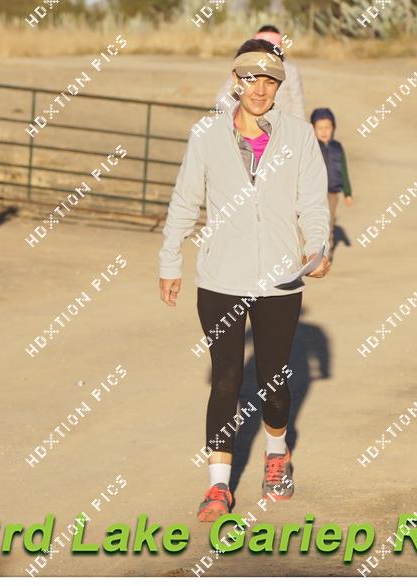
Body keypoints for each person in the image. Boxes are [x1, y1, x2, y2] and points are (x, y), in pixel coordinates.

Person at [158, 38, 331, 522]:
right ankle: (218, 486)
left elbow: (313, 203)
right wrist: (170, 260)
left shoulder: (299, 137)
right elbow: (185, 199)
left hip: (280, 280)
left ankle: (277, 453)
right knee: (226, 379)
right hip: (220, 278)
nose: (260, 88)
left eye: (270, 80)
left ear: (279, 85)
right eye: (251, 78)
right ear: (235, 80)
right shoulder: (206, 135)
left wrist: (318, 247)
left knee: (273, 380)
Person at [214, 25, 305, 119]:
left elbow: (298, 105)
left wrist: (295, 125)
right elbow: (221, 99)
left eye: (270, 82)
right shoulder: (245, 68)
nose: (260, 92)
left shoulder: (290, 70)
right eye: (252, 81)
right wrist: (243, 112)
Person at [310, 107, 353, 245]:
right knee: (311, 222)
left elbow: (344, 171)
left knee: (329, 223)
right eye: (320, 128)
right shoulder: (311, 147)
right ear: (313, 129)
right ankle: (309, 251)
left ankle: (326, 252)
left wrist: (347, 193)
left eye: (327, 127)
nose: (324, 131)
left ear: (333, 128)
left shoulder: (337, 147)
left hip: (332, 194)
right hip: (313, 193)